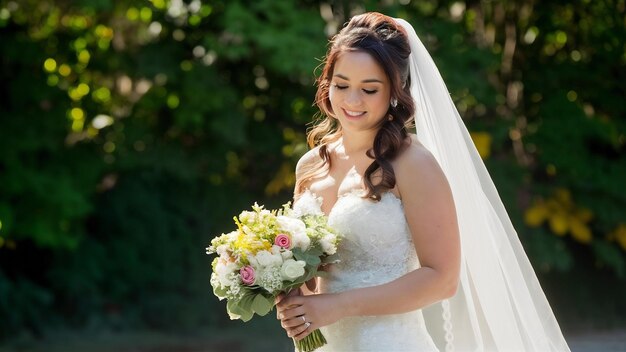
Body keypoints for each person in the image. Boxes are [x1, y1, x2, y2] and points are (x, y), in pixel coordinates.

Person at [275, 12, 570, 352]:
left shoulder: (413, 165)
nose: (352, 101)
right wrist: (287, 290)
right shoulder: (310, 166)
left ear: (395, 93)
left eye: (369, 89)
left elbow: (442, 279)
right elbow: (310, 276)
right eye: (341, 85)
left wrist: (339, 305)